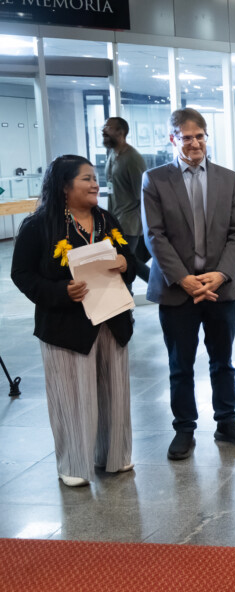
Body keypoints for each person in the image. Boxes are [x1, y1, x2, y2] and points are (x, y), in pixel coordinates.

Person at [11, 155, 136, 486]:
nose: (95, 184)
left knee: (114, 393)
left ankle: (114, 455)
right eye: (86, 178)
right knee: (72, 397)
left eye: (95, 178)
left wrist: (125, 263)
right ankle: (74, 465)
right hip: (66, 327)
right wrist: (61, 291)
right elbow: (21, 274)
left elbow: (130, 258)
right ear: (65, 187)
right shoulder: (39, 226)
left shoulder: (106, 220)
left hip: (111, 320)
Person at [141, 108, 235, 460]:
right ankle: (184, 429)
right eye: (186, 137)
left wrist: (221, 274)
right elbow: (154, 235)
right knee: (181, 365)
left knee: (223, 361)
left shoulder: (228, 179)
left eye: (200, 136)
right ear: (173, 139)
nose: (194, 143)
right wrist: (184, 279)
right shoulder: (155, 180)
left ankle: (226, 422)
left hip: (221, 289)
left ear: (207, 137)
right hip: (177, 291)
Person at [102, 117, 150, 283]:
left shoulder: (133, 158)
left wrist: (145, 225)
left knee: (126, 262)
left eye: (108, 127)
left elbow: (142, 194)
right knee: (128, 262)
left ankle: (163, 286)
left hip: (129, 223)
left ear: (120, 132)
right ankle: (163, 287)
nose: (103, 130)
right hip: (115, 220)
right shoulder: (112, 154)